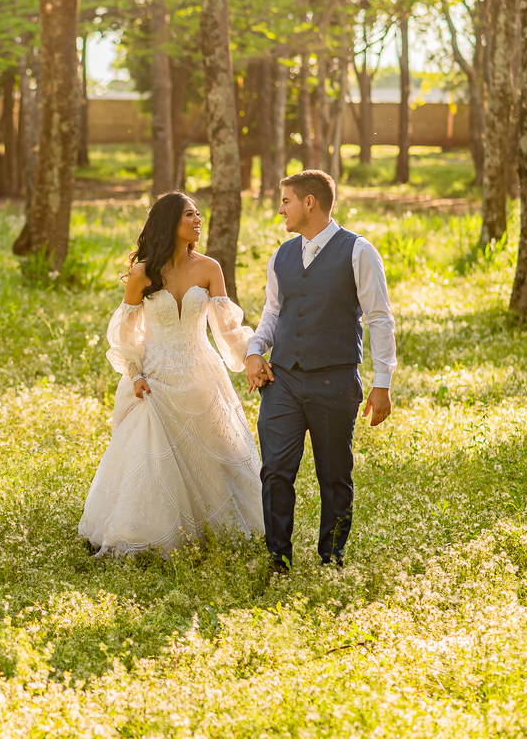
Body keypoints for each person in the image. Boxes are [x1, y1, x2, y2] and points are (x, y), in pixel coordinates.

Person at [78, 192, 264, 556]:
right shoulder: (143, 272)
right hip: (156, 376)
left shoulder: (210, 268)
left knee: (216, 450)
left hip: (201, 372)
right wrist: (134, 375)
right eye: (189, 215)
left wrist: (252, 357)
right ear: (169, 223)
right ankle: (147, 535)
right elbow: (125, 336)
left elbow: (227, 328)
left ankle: (218, 529)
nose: (198, 220)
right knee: (151, 455)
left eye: (198, 214)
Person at [244, 170, 396, 574]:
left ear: (309, 202)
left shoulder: (359, 251)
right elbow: (273, 312)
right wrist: (254, 350)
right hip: (284, 380)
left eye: (286, 201)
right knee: (275, 469)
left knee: (334, 474)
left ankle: (332, 557)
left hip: (335, 379)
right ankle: (278, 556)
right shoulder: (282, 254)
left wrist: (382, 384)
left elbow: (379, 319)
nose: (281, 210)